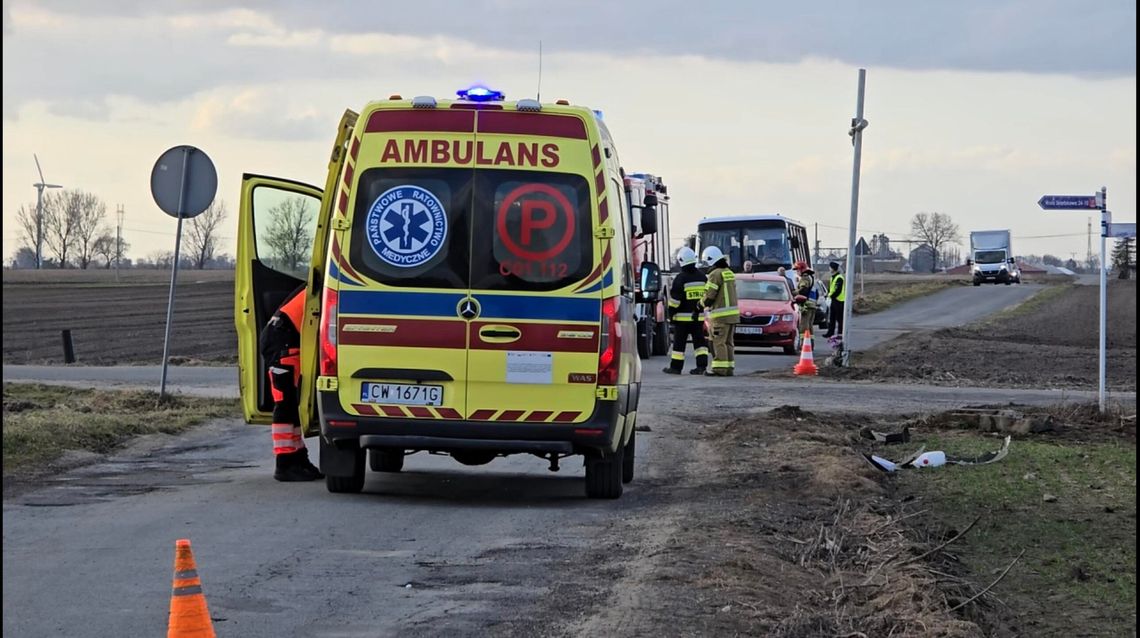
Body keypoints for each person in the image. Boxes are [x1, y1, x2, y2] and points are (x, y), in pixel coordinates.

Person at [259, 283, 324, 482]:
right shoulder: (323, 286)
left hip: (285, 337)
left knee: (292, 402)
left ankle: (297, 457)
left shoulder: (316, 284)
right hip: (283, 340)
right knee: (285, 401)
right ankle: (285, 462)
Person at [663, 247, 710, 375]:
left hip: (682, 320)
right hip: (698, 318)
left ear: (681, 261)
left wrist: (671, 314)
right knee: (700, 343)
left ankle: (676, 368)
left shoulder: (680, 278)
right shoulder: (702, 277)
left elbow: (675, 301)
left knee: (679, 345)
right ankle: (701, 367)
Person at [700, 246, 739, 376]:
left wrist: (699, 305)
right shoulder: (729, 272)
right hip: (732, 315)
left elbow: (710, 295)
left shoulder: (715, 274)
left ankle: (719, 369)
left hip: (720, 316)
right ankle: (729, 368)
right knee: (728, 342)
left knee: (718, 342)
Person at [792, 261, 819, 347]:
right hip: (812, 305)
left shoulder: (805, 278)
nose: (797, 272)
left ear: (801, 269)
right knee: (810, 326)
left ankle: (804, 344)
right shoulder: (811, 278)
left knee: (804, 326)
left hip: (806, 305)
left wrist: (793, 292)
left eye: (797, 270)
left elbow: (803, 291)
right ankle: (810, 343)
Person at [825, 261, 846, 339]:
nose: (829, 269)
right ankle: (830, 332)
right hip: (833, 300)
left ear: (833, 268)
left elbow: (838, 290)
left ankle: (840, 333)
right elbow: (831, 288)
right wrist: (828, 294)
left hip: (839, 300)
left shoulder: (839, 278)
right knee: (832, 317)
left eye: (830, 267)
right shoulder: (832, 277)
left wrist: (831, 296)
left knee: (839, 318)